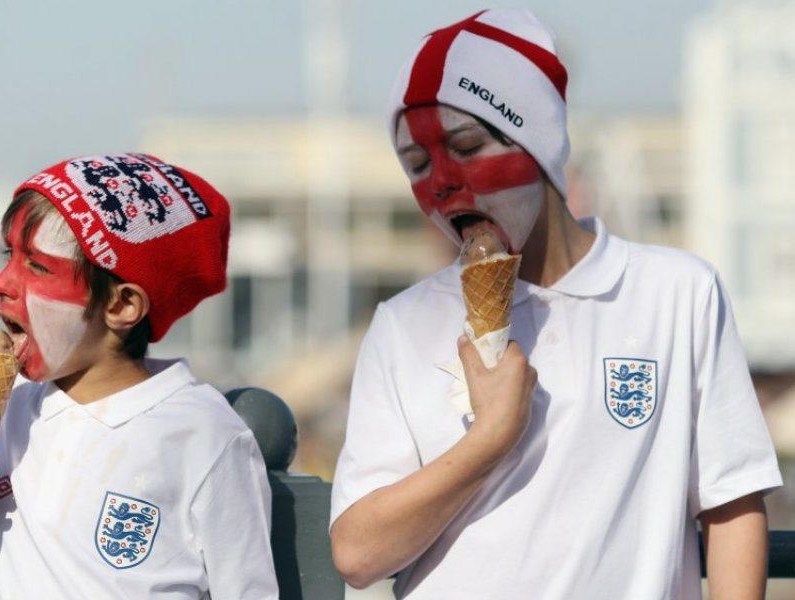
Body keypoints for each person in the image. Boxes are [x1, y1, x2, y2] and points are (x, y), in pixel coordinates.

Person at [330, 9, 782, 599]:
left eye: (467, 145)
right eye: (417, 165)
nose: (441, 182)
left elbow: (732, 506)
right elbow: (359, 554)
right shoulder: (402, 325)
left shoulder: (676, 293)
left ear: (538, 142)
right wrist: (490, 438)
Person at [0, 153, 279, 599]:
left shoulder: (204, 434)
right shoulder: (9, 414)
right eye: (8, 255)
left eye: (37, 266)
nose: (0, 282)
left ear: (122, 306)